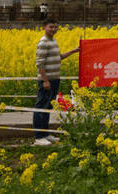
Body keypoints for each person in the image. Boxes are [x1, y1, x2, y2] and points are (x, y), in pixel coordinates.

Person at [34, 18, 80, 146]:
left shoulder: (53, 41)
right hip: (47, 81)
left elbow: (58, 58)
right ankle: (38, 137)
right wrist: (45, 80)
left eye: (55, 27)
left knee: (48, 107)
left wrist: (73, 51)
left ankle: (46, 134)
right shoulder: (43, 42)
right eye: (51, 27)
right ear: (44, 27)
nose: (53, 29)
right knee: (41, 107)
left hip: (55, 79)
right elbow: (40, 64)